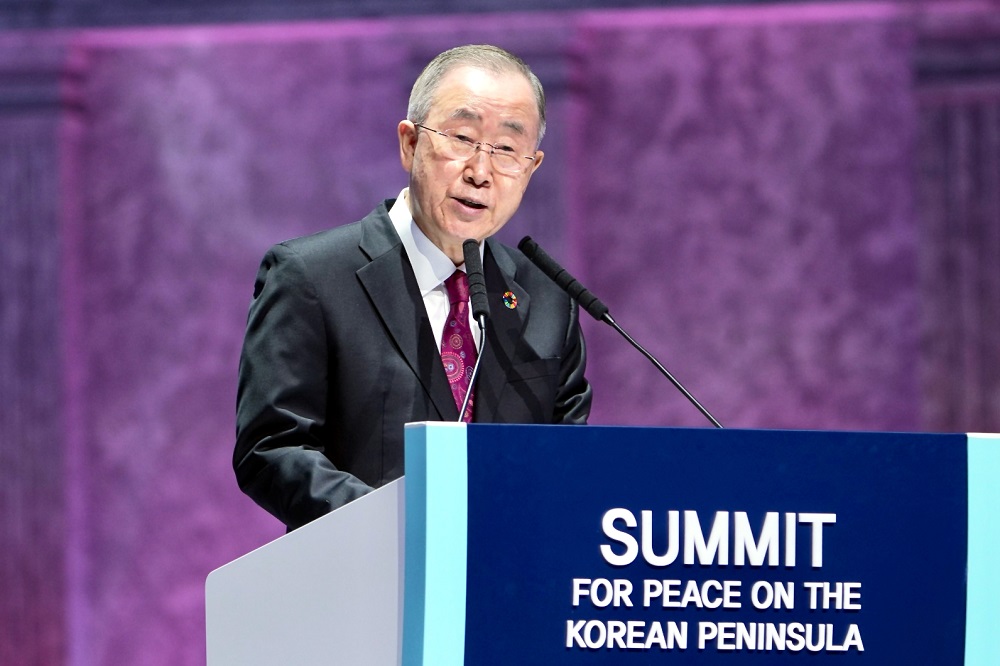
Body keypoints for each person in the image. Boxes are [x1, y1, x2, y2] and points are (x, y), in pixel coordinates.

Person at [235, 44, 591, 530]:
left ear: (531, 167)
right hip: (366, 566)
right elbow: (272, 448)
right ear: (409, 143)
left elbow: (568, 463)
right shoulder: (311, 277)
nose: (480, 172)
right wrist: (401, 525)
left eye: (507, 150)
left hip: (505, 571)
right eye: (462, 138)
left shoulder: (549, 300)